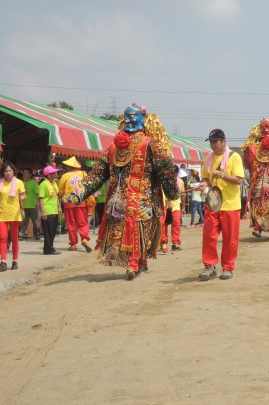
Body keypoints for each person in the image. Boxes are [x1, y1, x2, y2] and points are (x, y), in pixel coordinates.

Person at [73, 103, 179, 280]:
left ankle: (136, 262)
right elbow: (99, 172)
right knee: (126, 231)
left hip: (139, 198)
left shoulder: (149, 144)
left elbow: (165, 170)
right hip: (122, 200)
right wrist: (81, 191)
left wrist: (172, 193)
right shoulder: (115, 148)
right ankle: (135, 262)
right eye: (127, 117)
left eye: (133, 117)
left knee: (139, 230)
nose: (130, 121)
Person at [197, 128, 244, 281]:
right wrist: (203, 184)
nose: (213, 145)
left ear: (224, 142)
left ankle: (228, 267)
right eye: (211, 142)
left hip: (230, 205)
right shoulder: (208, 159)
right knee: (209, 237)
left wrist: (222, 175)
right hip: (213, 203)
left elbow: (238, 180)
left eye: (216, 141)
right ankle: (209, 266)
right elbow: (206, 179)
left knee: (230, 239)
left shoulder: (234, 157)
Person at [58, 156, 92, 253]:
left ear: (69, 166)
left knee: (71, 223)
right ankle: (84, 239)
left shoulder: (64, 176)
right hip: (81, 201)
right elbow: (89, 185)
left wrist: (62, 195)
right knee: (82, 222)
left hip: (68, 202)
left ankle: (73, 244)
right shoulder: (83, 173)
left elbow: (61, 191)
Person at [0, 162, 26, 271]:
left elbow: (23, 194)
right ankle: (3, 261)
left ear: (13, 171)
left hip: (15, 214)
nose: (8, 173)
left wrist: (23, 198)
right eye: (6, 171)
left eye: (10, 171)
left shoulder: (19, 183)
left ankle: (15, 260)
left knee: (15, 238)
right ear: (3, 173)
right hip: (2, 214)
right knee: (2, 238)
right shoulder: (0, 183)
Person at [39, 166, 62, 256]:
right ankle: (49, 249)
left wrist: (59, 207)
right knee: (48, 231)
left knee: (52, 230)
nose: (56, 174)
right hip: (48, 210)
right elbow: (41, 199)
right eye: (53, 173)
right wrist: (43, 211)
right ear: (48, 175)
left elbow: (56, 196)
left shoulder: (54, 183)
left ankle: (48, 248)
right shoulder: (43, 184)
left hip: (54, 210)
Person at [161, 167, 185, 252]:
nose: (172, 175)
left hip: (175, 205)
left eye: (174, 173)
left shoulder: (180, 182)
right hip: (164, 205)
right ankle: (163, 242)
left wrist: (183, 207)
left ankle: (176, 243)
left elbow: (183, 194)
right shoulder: (163, 181)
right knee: (163, 224)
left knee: (176, 223)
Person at [19, 167, 41, 241]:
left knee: (35, 221)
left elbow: (37, 194)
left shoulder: (34, 183)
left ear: (30, 174)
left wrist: (37, 203)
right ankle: (22, 234)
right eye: (23, 173)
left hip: (32, 205)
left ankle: (37, 234)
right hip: (24, 205)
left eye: (26, 173)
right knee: (25, 220)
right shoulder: (22, 183)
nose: (24, 174)